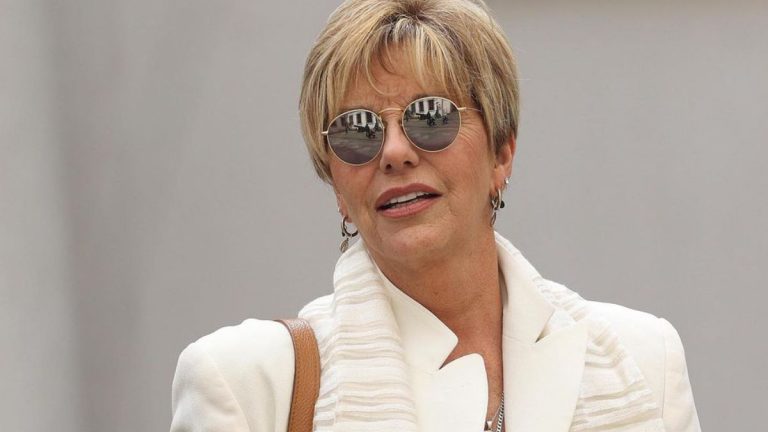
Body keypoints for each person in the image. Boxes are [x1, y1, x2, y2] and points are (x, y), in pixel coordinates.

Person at [170, 1, 701, 431]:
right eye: (357, 130)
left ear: (501, 153)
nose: (394, 152)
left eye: (431, 117)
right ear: (336, 184)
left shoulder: (643, 361)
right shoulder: (247, 385)